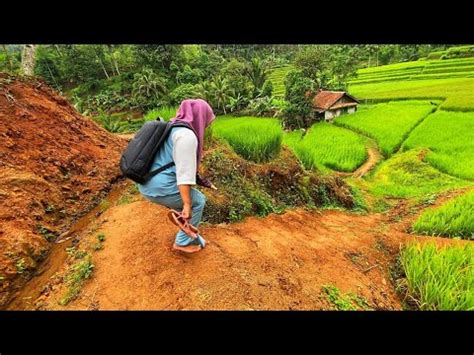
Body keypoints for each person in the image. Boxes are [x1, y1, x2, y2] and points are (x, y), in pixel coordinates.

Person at [138, 99, 215, 253]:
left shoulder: (173, 127)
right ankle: (181, 242)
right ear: (200, 116)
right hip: (160, 186)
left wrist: (205, 183)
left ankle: (193, 236)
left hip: (145, 181)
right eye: (207, 119)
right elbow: (184, 175)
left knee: (188, 203)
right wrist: (187, 205)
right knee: (198, 201)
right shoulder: (187, 136)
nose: (207, 124)